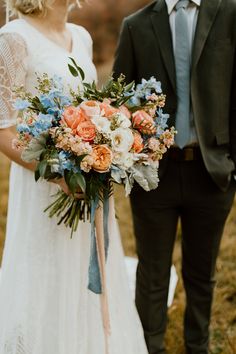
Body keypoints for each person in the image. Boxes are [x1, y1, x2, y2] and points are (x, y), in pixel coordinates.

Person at [0, 1, 149, 353]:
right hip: (45, 185)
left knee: (85, 267)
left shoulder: (81, 37)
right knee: (48, 273)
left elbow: (89, 105)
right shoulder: (13, 38)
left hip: (89, 183)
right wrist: (58, 173)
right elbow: (4, 129)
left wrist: (107, 148)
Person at [113, 0, 236, 353]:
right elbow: (120, 103)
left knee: (203, 275)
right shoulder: (135, 25)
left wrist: (232, 165)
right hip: (154, 176)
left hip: (212, 172)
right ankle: (149, 347)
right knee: (151, 275)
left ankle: (198, 346)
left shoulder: (228, 14)